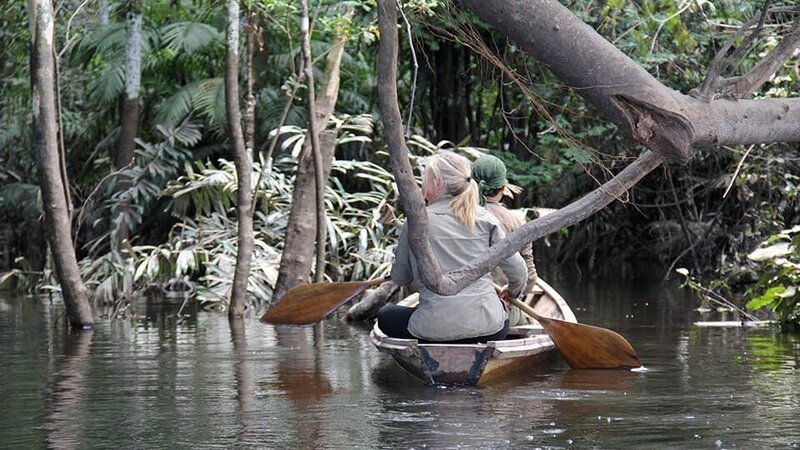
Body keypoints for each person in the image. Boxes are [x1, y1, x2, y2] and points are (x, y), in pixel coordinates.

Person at [377, 151, 528, 343]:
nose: (423, 184)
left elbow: (401, 277)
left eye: (426, 179)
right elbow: (519, 271)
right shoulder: (485, 218)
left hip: (434, 330)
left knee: (385, 315)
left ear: (438, 183)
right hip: (488, 327)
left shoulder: (416, 222)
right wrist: (512, 291)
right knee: (503, 313)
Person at [471, 154, 539, 326]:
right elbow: (530, 277)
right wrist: (513, 294)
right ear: (502, 187)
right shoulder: (516, 221)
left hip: (458, 305)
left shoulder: (455, 214)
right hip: (500, 306)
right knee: (526, 322)